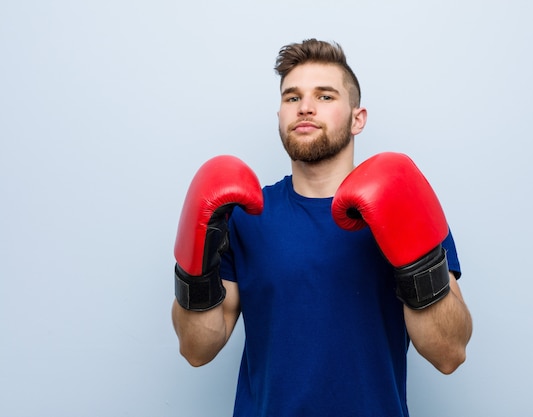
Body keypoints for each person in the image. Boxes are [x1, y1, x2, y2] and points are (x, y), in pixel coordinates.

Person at [171, 39, 472, 417]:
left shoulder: (406, 205)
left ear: (357, 118)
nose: (306, 108)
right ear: (280, 115)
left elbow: (449, 353)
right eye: (292, 98)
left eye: (325, 96)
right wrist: (195, 269)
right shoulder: (244, 217)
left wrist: (419, 261)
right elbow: (196, 349)